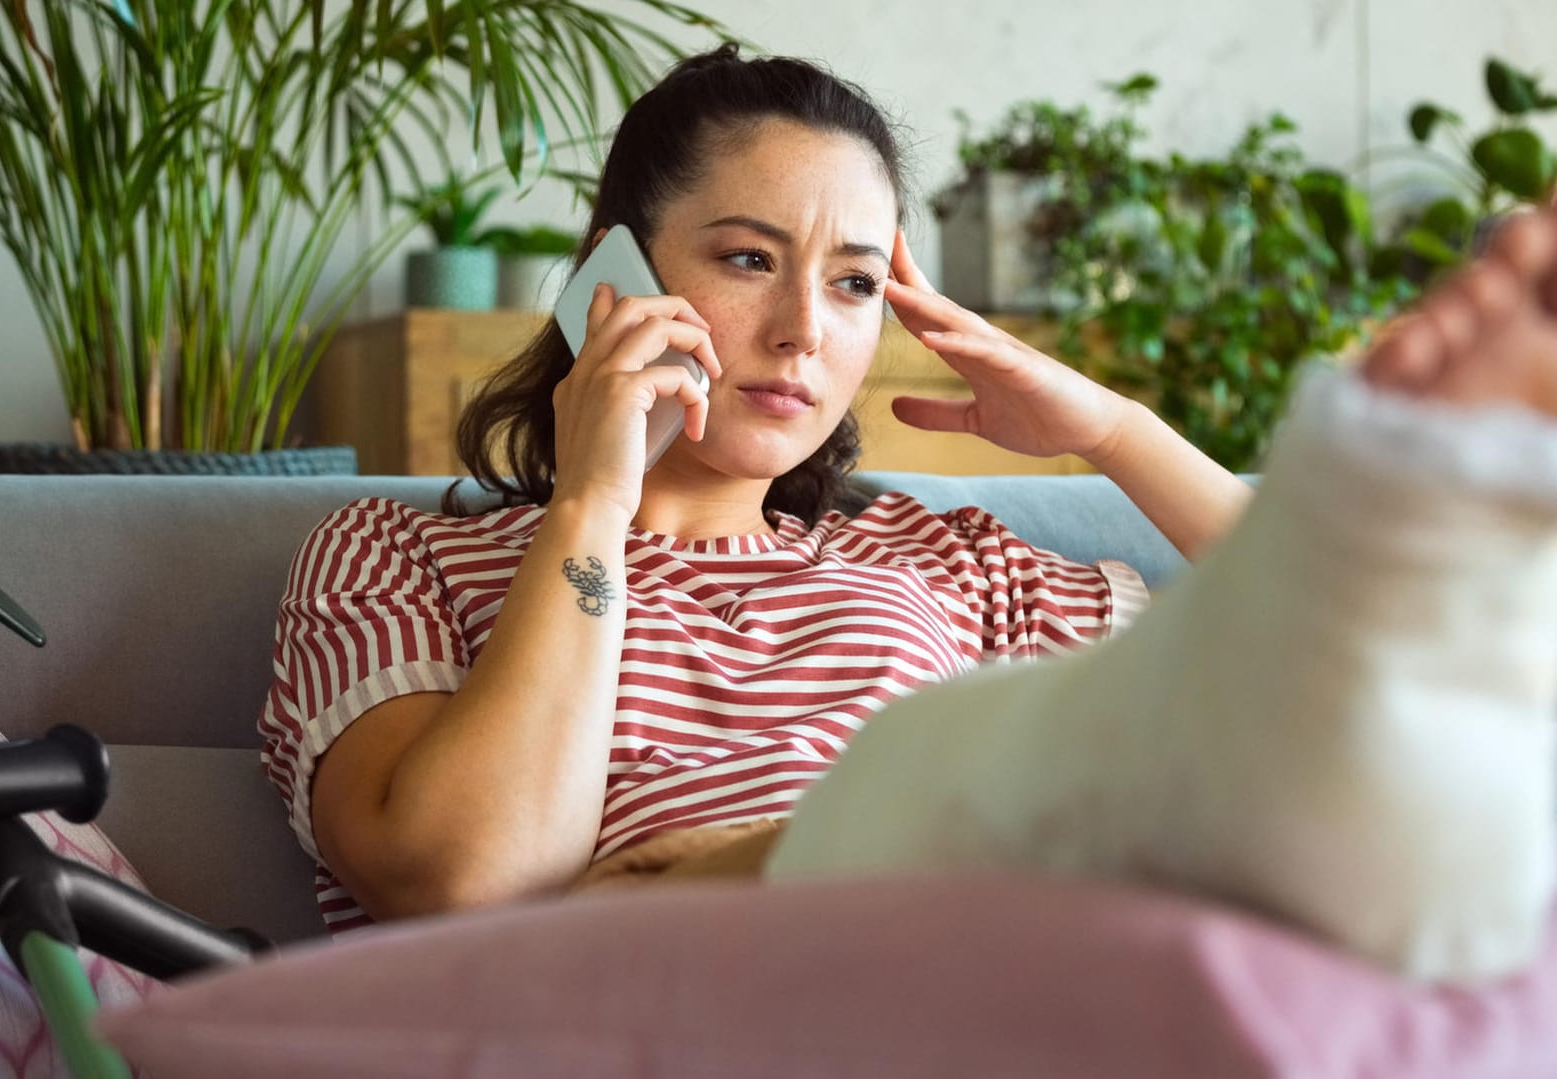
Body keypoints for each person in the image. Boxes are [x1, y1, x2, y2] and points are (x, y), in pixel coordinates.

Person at [258, 42, 1557, 986]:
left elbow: (1328, 669)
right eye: (746, 259)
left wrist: (1108, 432)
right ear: (612, 278)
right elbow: (462, 878)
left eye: (855, 282)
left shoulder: (946, 562)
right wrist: (597, 492)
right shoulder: (397, 552)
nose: (799, 332)